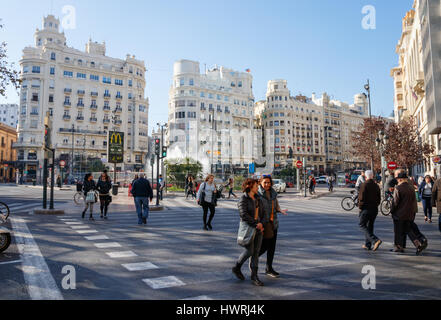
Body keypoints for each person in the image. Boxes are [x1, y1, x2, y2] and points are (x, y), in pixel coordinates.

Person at [232, 178, 267, 286]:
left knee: (256, 253)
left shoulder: (258, 199)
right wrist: (256, 224)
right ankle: (237, 267)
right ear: (250, 187)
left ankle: (254, 276)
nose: (258, 187)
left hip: (258, 229)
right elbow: (243, 214)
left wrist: (262, 224)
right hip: (249, 228)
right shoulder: (243, 199)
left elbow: (264, 213)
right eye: (256, 186)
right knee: (250, 251)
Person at [258, 175, 288, 278]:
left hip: (273, 223)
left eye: (268, 182)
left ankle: (269, 268)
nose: (267, 184)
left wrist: (280, 210)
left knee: (272, 247)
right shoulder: (258, 194)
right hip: (263, 224)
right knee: (264, 246)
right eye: (265, 182)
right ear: (261, 183)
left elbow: (276, 205)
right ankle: (253, 258)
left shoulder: (273, 193)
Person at [390, 172, 427, 255]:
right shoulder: (411, 188)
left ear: (399, 179)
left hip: (399, 214)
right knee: (408, 230)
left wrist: (392, 210)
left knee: (398, 231)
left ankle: (399, 247)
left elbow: (395, 202)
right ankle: (417, 244)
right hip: (409, 213)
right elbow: (414, 201)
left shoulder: (398, 188)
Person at [358, 170, 382, 251]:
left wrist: (360, 207)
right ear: (372, 176)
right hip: (374, 209)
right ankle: (368, 244)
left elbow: (361, 198)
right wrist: (375, 205)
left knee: (362, 225)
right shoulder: (376, 186)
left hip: (366, 209)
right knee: (370, 226)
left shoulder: (364, 185)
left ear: (365, 176)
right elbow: (379, 199)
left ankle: (375, 240)